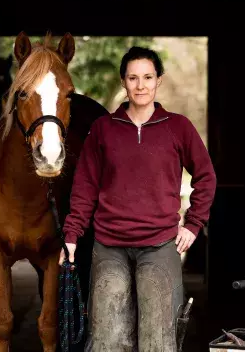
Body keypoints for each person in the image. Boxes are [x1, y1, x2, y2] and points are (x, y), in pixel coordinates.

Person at [60, 46, 216, 351]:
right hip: (109, 246)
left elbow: (206, 177)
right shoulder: (103, 130)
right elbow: (85, 187)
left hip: (159, 245)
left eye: (147, 77)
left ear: (159, 80)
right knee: (107, 339)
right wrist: (71, 236)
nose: (140, 85)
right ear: (123, 81)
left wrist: (194, 224)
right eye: (133, 78)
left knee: (157, 340)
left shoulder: (178, 127)